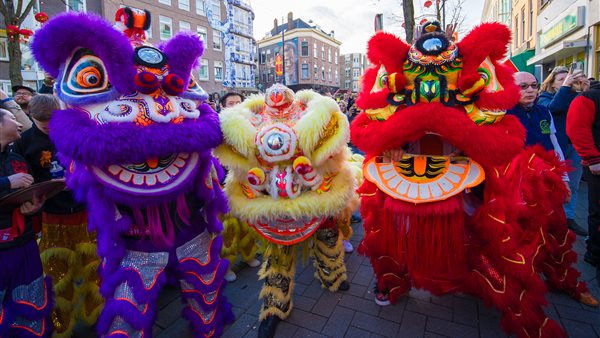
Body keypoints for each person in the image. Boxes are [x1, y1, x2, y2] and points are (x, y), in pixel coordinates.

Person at [12, 94, 101, 337]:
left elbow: (94, 162)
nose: (49, 128)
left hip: (84, 210)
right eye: (43, 125)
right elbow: (25, 181)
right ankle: (61, 325)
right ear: (31, 117)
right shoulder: (24, 143)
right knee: (56, 275)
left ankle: (98, 316)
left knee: (95, 269)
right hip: (53, 216)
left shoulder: (74, 132)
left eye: (53, 121)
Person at [0, 108, 51, 337]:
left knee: (30, 300)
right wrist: (6, 182)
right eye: (12, 118)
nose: (19, 122)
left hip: (25, 242)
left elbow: (29, 191)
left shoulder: (16, 156)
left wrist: (34, 206)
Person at [538, 66, 590, 236]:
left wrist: (587, 91)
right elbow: (553, 109)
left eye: (568, 80)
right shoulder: (544, 98)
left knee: (573, 185)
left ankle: (568, 217)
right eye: (561, 80)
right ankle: (551, 218)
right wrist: (566, 88)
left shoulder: (577, 97)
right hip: (555, 148)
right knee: (552, 185)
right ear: (552, 84)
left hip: (573, 146)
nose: (566, 83)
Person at [567, 79, 600, 286]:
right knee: (597, 210)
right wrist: (593, 159)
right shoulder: (588, 98)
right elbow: (576, 128)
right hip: (596, 164)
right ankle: (594, 253)